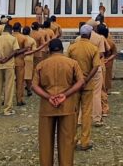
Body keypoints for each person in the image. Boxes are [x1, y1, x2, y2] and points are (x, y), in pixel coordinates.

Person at [33, 38, 85, 166]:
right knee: (67, 142)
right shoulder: (72, 63)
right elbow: (81, 82)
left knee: (45, 142)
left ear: (49, 50)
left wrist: (48, 97)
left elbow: (34, 86)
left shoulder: (41, 65)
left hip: (47, 106)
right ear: (62, 49)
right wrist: (65, 94)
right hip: (66, 106)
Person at [67, 24, 101, 151]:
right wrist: (86, 79)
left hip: (74, 85)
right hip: (87, 85)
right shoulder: (93, 48)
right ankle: (85, 141)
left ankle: (72, 139)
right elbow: (96, 66)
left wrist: (75, 79)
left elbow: (68, 65)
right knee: (86, 113)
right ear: (90, 34)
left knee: (73, 112)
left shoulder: (72, 47)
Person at [0, 23, 20, 116]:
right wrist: (7, 58)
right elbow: (15, 50)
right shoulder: (13, 39)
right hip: (9, 65)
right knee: (9, 87)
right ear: (10, 30)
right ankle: (7, 109)